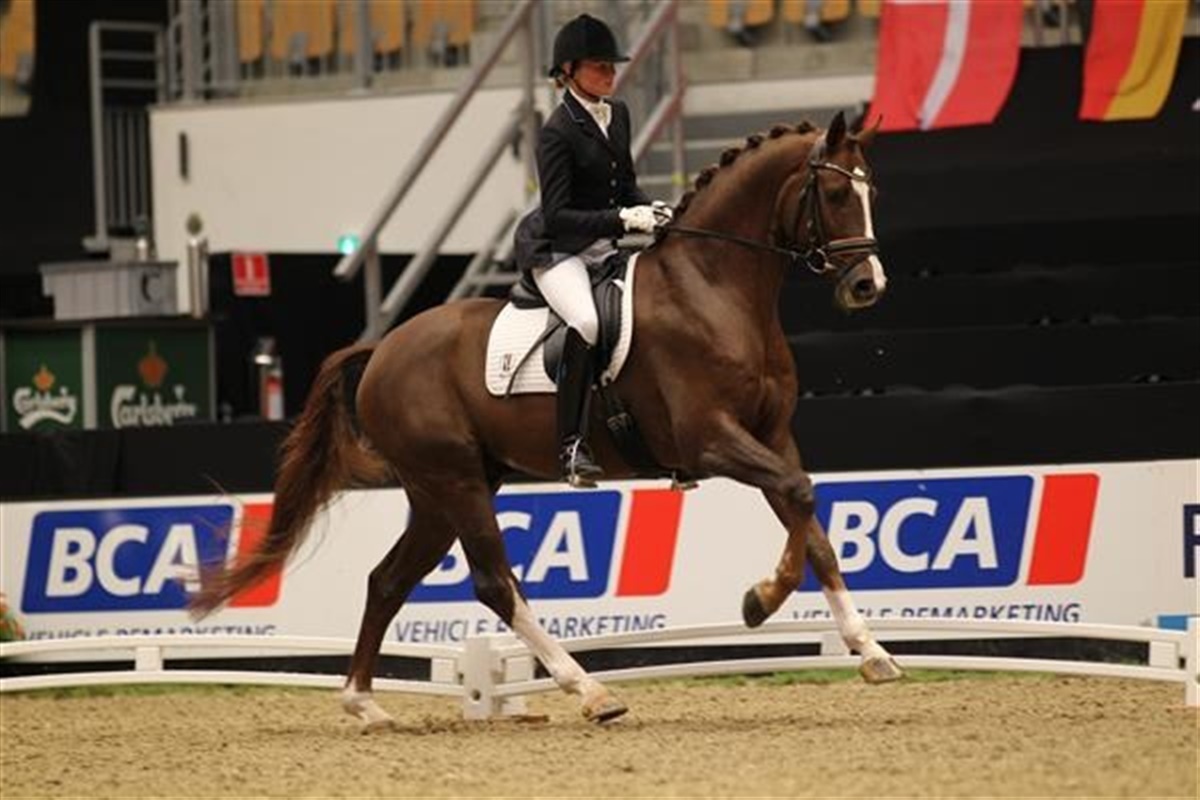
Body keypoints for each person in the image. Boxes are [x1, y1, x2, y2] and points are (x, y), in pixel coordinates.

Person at [513, 13, 671, 488]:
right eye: (599, 66)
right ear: (569, 71)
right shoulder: (556, 132)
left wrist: (653, 209)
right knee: (585, 321)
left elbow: (625, 185)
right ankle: (571, 445)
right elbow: (559, 215)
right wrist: (623, 220)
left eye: (611, 65)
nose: (610, 73)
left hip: (604, 246)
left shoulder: (617, 114)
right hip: (559, 250)